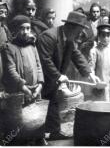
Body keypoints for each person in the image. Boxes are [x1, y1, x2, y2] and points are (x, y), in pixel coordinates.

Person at [37, 11, 101, 140]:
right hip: (42, 78)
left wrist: (90, 73)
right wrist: (58, 76)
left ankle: (54, 132)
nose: (81, 33)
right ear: (72, 27)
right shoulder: (48, 37)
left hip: (52, 78)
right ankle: (38, 137)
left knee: (53, 102)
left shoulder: (69, 39)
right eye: (80, 29)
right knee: (41, 105)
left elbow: (76, 55)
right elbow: (44, 60)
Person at [2, 15, 47, 145]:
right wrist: (23, 87)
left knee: (35, 119)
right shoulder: (8, 48)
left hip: (34, 89)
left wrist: (40, 84)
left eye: (28, 28)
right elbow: (11, 70)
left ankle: (37, 139)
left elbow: (39, 66)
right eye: (22, 28)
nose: (26, 32)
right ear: (15, 31)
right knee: (18, 124)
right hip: (19, 91)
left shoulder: (32, 46)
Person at [0, 2, 12, 91]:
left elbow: (9, 40)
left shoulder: (4, 27)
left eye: (5, 13)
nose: (4, 16)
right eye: (1, 12)